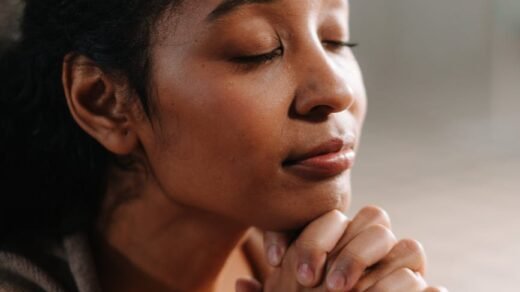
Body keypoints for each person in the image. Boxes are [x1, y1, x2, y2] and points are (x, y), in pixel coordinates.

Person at [0, 0, 447, 291]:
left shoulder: (320, 270)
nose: (335, 90)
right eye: (259, 50)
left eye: (334, 38)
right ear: (105, 101)